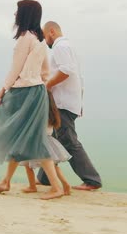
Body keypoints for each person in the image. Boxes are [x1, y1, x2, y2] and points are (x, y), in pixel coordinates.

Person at [0, 0, 65, 200]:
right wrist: (39, 87)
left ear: (24, 14)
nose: (15, 14)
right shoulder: (40, 40)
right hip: (37, 91)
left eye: (18, 11)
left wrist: (3, 90)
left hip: (24, 92)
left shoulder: (26, 38)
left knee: (26, 138)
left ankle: (56, 187)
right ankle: (6, 181)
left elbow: (15, 68)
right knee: (19, 137)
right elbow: (45, 72)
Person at [37, 21, 103, 191]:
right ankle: (45, 178)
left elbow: (66, 71)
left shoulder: (61, 47)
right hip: (68, 101)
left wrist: (48, 85)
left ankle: (92, 180)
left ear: (51, 32)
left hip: (63, 102)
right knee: (55, 139)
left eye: (45, 36)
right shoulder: (68, 47)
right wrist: (79, 103)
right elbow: (79, 77)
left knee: (68, 141)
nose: (46, 41)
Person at [20, 90, 72, 195]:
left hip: (37, 141)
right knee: (54, 166)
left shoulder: (39, 112)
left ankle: (32, 186)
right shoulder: (51, 112)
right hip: (49, 140)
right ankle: (66, 185)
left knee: (27, 164)